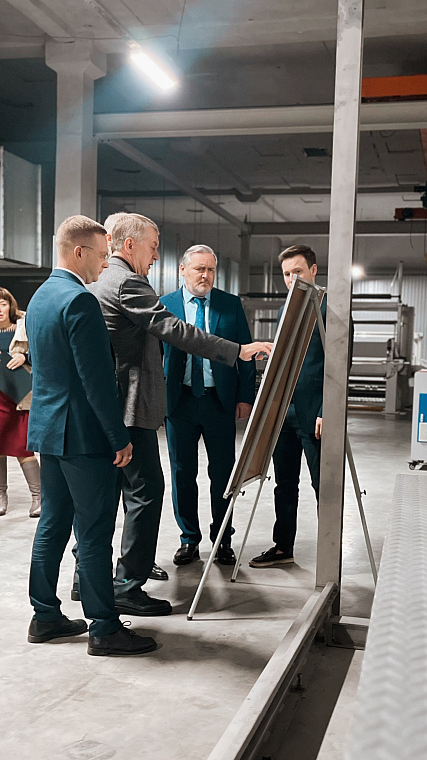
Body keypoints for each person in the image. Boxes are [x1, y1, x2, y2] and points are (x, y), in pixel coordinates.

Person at [88, 213, 271, 617]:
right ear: (130, 244)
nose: (156, 255)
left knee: (107, 495)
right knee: (149, 490)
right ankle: (127, 585)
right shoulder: (130, 283)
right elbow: (175, 331)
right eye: (153, 246)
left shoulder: (97, 282)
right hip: (141, 407)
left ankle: (92, 577)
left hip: (177, 404)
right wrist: (237, 351)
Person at [26, 214, 155, 656]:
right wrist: (118, 437)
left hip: (49, 432)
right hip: (83, 436)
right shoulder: (79, 301)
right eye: (101, 255)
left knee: (53, 523)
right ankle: (104, 628)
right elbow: (96, 380)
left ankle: (45, 616)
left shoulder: (41, 296)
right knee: (95, 532)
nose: (105, 263)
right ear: (79, 252)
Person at [161, 244, 255, 567]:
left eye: (210, 269)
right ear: (182, 270)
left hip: (220, 401)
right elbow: (154, 357)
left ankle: (222, 539)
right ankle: (189, 538)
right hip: (180, 402)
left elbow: (245, 354)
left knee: (223, 474)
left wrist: (244, 397)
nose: (205, 275)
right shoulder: (165, 305)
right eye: (199, 268)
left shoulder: (230, 305)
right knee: (182, 473)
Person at [250, 245, 325, 568]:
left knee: (323, 484)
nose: (292, 279)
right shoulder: (285, 311)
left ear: (313, 271)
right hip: (284, 412)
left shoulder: (330, 308)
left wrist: (326, 410)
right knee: (284, 484)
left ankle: (330, 553)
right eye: (286, 274)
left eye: (298, 272)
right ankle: (283, 546)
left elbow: (340, 365)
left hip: (315, 413)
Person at [0, 287, 40, 517]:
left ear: (10, 306)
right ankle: (0, 497)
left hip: (19, 396)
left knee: (23, 447)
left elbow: (41, 351)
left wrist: (24, 356)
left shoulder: (24, 326)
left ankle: (38, 497)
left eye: (3, 304)